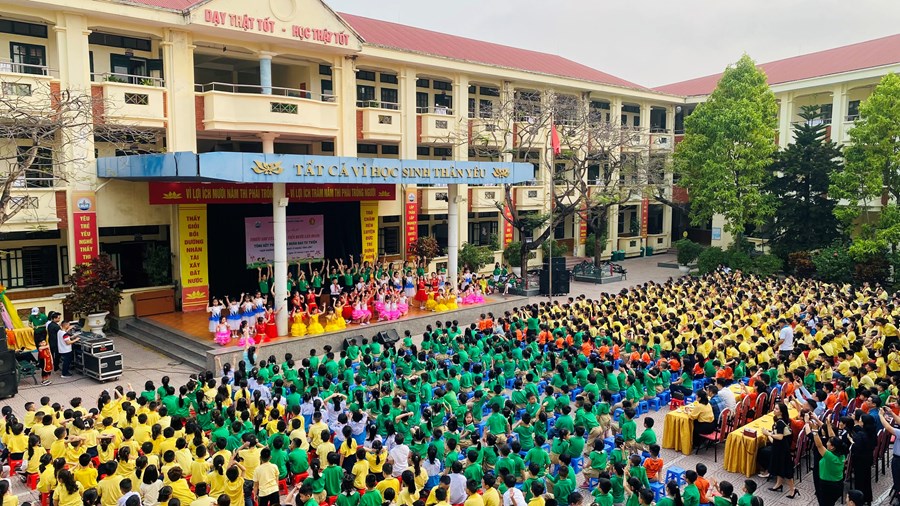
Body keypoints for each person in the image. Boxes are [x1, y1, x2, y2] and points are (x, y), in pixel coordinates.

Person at [806, 413, 846, 506]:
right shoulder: (841, 454)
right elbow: (832, 436)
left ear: (832, 447)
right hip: (837, 484)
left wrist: (815, 431)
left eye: (828, 442)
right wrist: (828, 424)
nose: (827, 442)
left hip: (828, 486)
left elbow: (819, 445)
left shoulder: (830, 457)